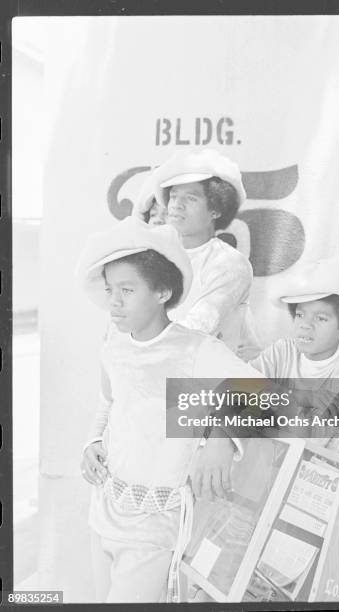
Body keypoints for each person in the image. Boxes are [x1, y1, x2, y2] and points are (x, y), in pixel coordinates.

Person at [77, 216, 262, 603]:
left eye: (127, 289)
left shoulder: (194, 350)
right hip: (104, 508)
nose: (114, 301)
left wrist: (222, 439)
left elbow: (262, 393)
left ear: (162, 291)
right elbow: (109, 401)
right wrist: (93, 439)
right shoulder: (114, 345)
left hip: (154, 529)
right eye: (111, 289)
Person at [133, 149, 260, 359]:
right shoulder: (152, 258)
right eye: (173, 197)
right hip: (165, 374)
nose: (176, 206)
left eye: (190, 199)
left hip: (219, 384)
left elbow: (198, 327)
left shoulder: (228, 263)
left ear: (215, 210)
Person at [248, 257, 339, 426]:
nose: (305, 325)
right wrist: (305, 396)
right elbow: (236, 389)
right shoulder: (282, 351)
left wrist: (269, 398)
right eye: (300, 315)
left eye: (321, 318)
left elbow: (325, 422)